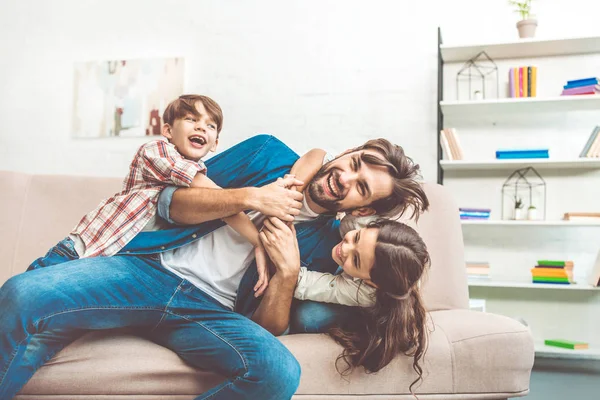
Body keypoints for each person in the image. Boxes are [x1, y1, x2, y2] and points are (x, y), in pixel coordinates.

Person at [0, 134, 429, 399]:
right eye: (353, 164)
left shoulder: (329, 246)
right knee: (24, 295)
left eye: (361, 187)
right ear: (347, 151)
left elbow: (269, 328)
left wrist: (287, 273)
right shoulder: (267, 154)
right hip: (146, 271)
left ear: (365, 206)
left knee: (278, 373)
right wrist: (250, 198)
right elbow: (170, 203)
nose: (345, 179)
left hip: (210, 312)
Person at [28, 94, 275, 294]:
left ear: (215, 144)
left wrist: (259, 244)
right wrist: (255, 227)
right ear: (168, 130)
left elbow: (223, 208)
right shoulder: (157, 150)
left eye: (210, 125)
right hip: (79, 250)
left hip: (105, 263)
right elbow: (223, 201)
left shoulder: (200, 179)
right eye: (191, 119)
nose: (201, 126)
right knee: (23, 296)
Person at [259, 216, 430, 393]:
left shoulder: (366, 292)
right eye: (356, 238)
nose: (345, 248)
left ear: (371, 282)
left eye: (356, 259)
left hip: (364, 306)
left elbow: (302, 282)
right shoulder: (367, 227)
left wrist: (286, 254)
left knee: (309, 315)